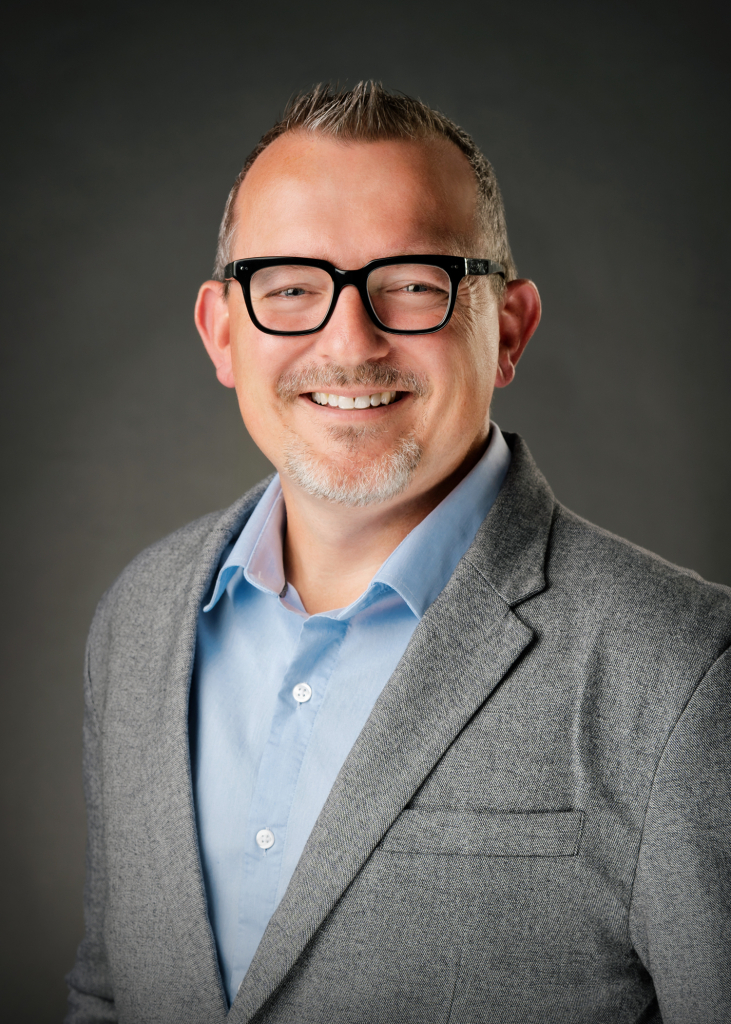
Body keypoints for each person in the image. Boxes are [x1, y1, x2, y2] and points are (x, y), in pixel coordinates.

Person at [65, 82, 731, 1024]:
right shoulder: (140, 620)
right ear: (222, 333)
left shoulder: (687, 669)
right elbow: (108, 994)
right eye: (289, 287)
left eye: (412, 283)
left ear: (508, 328)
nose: (349, 341)